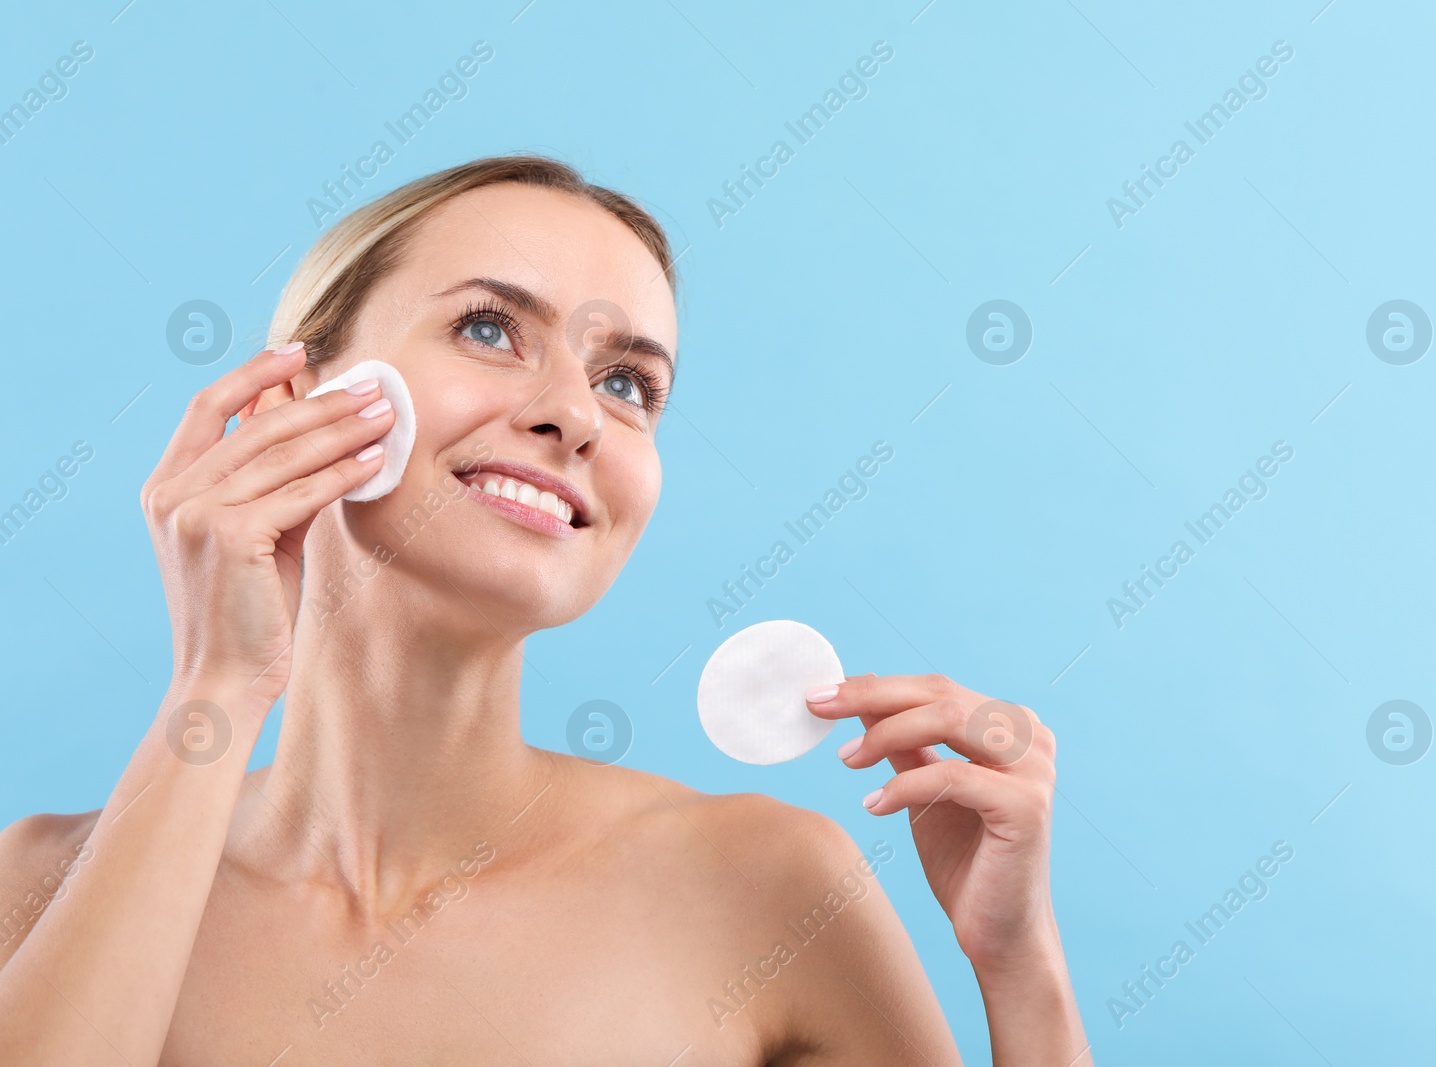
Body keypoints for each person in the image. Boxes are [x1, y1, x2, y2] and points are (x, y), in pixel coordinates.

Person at [0, 156, 1091, 1065]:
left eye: (628, 384)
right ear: (298, 398)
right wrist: (219, 685)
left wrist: (1021, 967)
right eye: (488, 327)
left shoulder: (765, 884)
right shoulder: (40, 889)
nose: (574, 413)